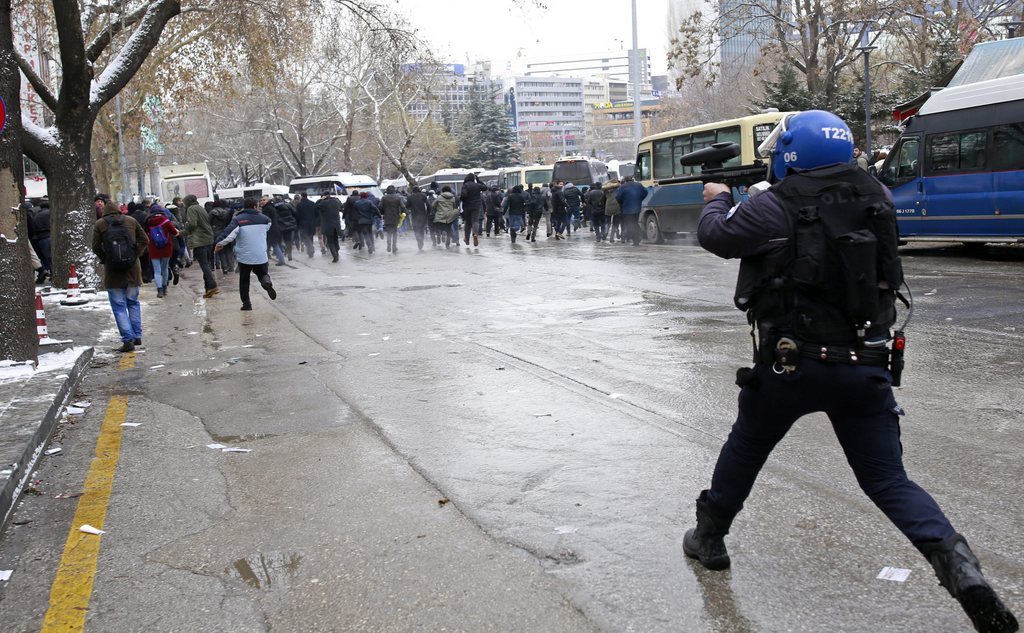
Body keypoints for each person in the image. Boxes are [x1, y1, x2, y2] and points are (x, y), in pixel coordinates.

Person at [685, 110, 1018, 633]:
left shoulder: (775, 204)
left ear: (792, 155)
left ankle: (709, 537)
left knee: (748, 446)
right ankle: (959, 566)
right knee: (888, 479)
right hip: (865, 360)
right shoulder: (876, 194)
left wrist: (718, 198)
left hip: (789, 365)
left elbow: (718, 237)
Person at [92, 200, 148, 352]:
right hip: (132, 269)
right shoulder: (131, 221)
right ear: (118, 210)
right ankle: (137, 336)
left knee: (119, 307)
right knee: (133, 302)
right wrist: (135, 254)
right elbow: (145, 240)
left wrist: (106, 258)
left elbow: (95, 246)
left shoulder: (100, 224)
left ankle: (127, 340)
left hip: (113, 271)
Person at [214, 197, 277, 311]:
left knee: (244, 280)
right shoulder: (265, 219)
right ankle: (266, 281)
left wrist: (218, 243)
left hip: (244, 256)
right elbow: (267, 228)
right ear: (255, 206)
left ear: (244, 206)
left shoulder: (238, 219)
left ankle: (247, 304)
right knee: (262, 274)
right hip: (261, 254)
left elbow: (228, 235)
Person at [183, 194, 219, 299]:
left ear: (188, 202)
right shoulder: (200, 208)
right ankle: (208, 288)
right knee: (207, 264)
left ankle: (212, 285)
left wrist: (185, 227)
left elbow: (193, 224)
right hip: (208, 239)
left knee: (204, 265)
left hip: (199, 240)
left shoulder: (191, 209)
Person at [145, 205, 180, 298]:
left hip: (153, 248)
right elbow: (175, 233)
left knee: (157, 270)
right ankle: (164, 288)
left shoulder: (148, 222)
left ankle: (159, 290)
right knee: (165, 268)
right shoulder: (166, 221)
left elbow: (145, 233)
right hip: (166, 247)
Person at [615, 176, 645, 246]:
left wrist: (622, 203)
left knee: (629, 225)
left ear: (625, 180)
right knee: (635, 222)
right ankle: (639, 235)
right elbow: (645, 193)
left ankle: (636, 239)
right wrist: (639, 199)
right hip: (637, 208)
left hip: (627, 209)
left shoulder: (623, 187)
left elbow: (618, 197)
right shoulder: (639, 185)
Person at [315, 189, 344, 262]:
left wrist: (321, 200)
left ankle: (335, 255)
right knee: (335, 239)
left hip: (328, 225)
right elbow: (341, 206)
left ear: (324, 196)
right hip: (336, 225)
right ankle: (337, 251)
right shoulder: (336, 201)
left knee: (330, 241)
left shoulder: (323, 203)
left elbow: (315, 207)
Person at [207, 199, 235, 273]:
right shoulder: (226, 212)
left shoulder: (212, 212)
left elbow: (208, 223)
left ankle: (224, 268)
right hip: (225, 232)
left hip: (215, 232)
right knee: (227, 250)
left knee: (220, 251)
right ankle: (230, 267)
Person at [459, 173, 487, 247]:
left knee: (468, 223)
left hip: (467, 206)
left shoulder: (465, 185)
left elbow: (463, 195)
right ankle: (475, 234)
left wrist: (462, 199)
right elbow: (485, 187)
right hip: (476, 206)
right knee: (475, 220)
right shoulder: (477, 185)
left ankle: (467, 239)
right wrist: (478, 180)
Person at [27, 201, 51, 283]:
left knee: (45, 257)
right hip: (49, 236)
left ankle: (46, 270)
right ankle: (50, 272)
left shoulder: (37, 215)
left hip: (41, 239)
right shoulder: (50, 213)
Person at [380, 185, 407, 254]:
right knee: (395, 233)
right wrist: (403, 213)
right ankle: (394, 247)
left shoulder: (384, 198)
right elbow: (403, 207)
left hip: (387, 218)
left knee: (389, 232)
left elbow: (380, 206)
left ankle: (388, 246)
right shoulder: (398, 198)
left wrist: (383, 212)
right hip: (395, 217)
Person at [261, 195, 286, 266]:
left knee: (273, 245)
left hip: (271, 230)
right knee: (271, 245)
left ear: (267, 200)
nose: (262, 201)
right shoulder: (271, 207)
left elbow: (266, 220)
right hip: (274, 229)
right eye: (261, 200)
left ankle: (280, 260)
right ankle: (278, 260)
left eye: (264, 200)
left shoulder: (267, 208)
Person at [405, 185, 430, 251]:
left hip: (414, 216)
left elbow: (407, 206)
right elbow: (428, 205)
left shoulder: (410, 197)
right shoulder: (423, 196)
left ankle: (418, 240)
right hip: (423, 215)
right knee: (422, 229)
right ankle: (421, 240)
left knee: (416, 229)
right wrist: (428, 213)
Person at [274, 196, 298, 260]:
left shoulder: (274, 207)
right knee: (289, 241)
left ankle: (280, 254)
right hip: (289, 225)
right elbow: (295, 213)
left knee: (279, 241)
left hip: (280, 227)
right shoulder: (288, 205)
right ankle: (289, 255)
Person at [295, 193, 318, 258]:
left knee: (304, 237)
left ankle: (311, 248)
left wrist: (297, 224)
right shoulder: (312, 203)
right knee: (310, 237)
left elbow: (297, 216)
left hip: (303, 224)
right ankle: (310, 252)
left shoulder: (299, 205)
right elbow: (316, 214)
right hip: (312, 223)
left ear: (301, 196)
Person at [602, 178, 622, 242]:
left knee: (608, 222)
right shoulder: (619, 189)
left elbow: (603, 189)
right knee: (615, 223)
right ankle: (611, 238)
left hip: (608, 206)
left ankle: (606, 232)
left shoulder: (606, 190)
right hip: (617, 206)